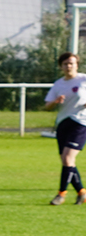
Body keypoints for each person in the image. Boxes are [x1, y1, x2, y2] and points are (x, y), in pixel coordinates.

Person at [44, 52, 86, 206]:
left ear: (77, 65)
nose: (69, 66)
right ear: (61, 66)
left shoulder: (84, 79)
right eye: (65, 64)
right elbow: (47, 106)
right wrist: (55, 101)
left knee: (68, 158)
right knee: (67, 161)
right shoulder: (58, 84)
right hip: (63, 124)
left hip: (81, 123)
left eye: (72, 63)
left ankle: (61, 194)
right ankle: (82, 192)